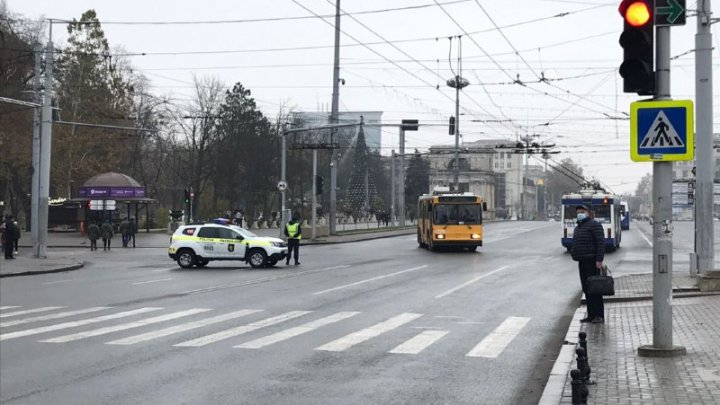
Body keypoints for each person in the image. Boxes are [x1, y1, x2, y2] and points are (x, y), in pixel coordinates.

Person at [570, 204, 606, 324]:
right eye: (578, 211)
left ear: (588, 213)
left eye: (582, 211)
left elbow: (600, 243)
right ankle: (591, 315)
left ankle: (599, 315)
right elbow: (575, 243)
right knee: (586, 289)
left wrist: (599, 260)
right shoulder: (578, 227)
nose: (579, 213)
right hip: (582, 262)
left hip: (592, 262)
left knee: (595, 288)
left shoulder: (595, 225)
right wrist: (574, 253)